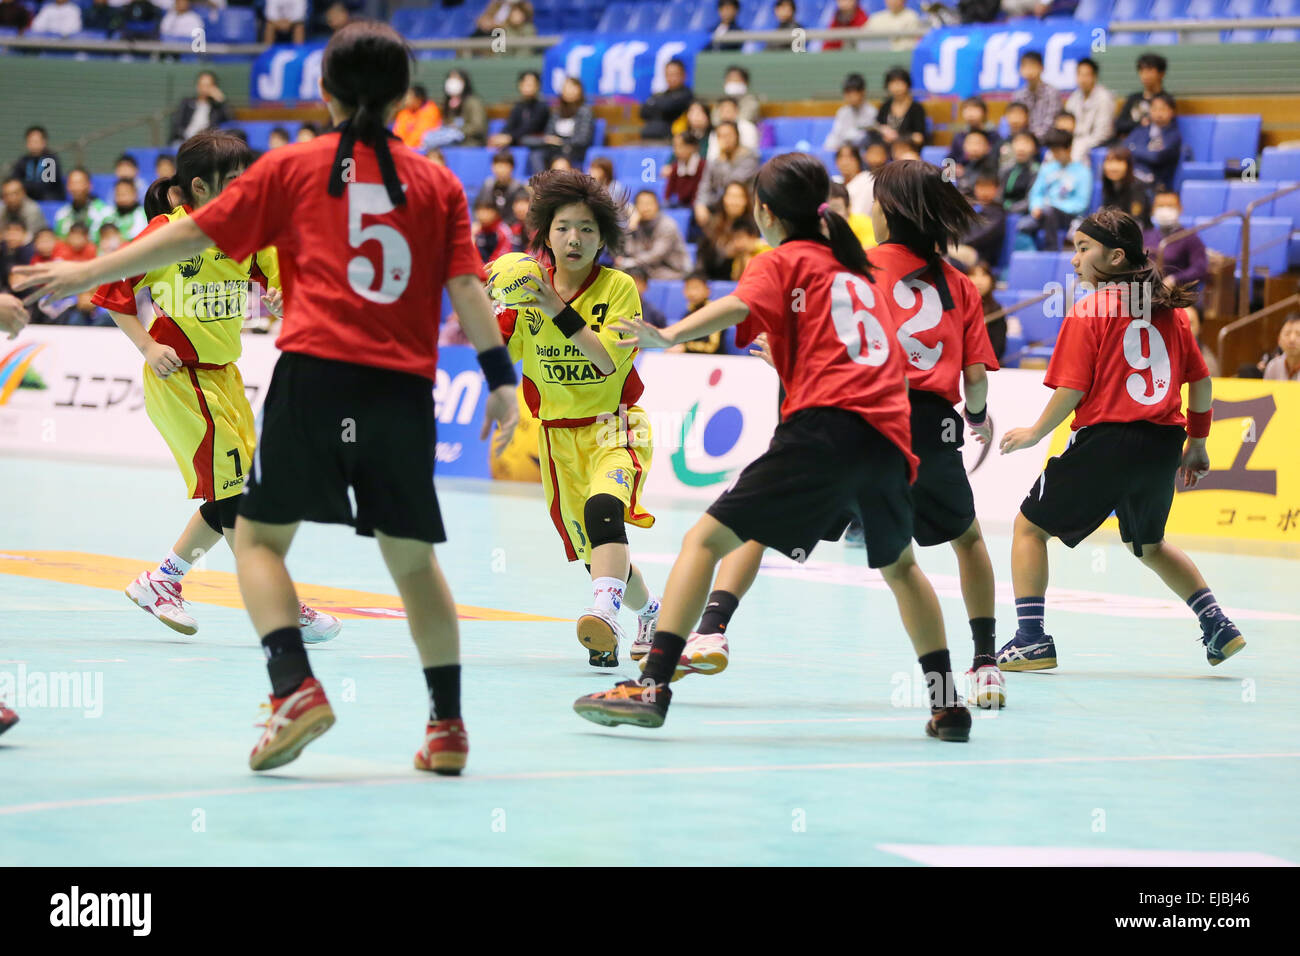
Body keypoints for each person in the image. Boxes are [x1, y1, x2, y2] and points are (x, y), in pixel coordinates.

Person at [13, 22, 520, 775]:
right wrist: (502, 380)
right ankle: (447, 728)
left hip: (314, 376)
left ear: (323, 93)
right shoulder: (440, 183)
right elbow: (469, 286)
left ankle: (293, 688)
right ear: (408, 96)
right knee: (414, 566)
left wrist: (84, 274)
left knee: (256, 540)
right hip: (404, 386)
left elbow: (189, 235)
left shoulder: (292, 167)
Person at [574, 152, 973, 741]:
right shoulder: (854, 269)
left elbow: (736, 305)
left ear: (764, 212)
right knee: (902, 568)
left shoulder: (785, 259)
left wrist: (671, 333)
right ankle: (947, 705)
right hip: (891, 436)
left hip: (823, 429)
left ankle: (651, 686)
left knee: (703, 541)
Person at [667, 160, 1006, 709]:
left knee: (756, 526)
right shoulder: (961, 285)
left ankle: (711, 628)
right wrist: (974, 418)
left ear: (887, 210)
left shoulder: (855, 264)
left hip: (852, 415)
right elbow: (974, 379)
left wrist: (779, 353)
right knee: (958, 545)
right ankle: (983, 667)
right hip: (926, 430)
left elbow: (828, 338)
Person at [996, 208, 1242, 672]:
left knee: (1029, 528)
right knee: (1148, 544)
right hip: (1162, 443)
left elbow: (1072, 391)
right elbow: (1202, 383)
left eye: (1082, 249)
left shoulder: (1090, 310)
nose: (1074, 261)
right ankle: (1217, 624)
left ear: (1114, 255)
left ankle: (1030, 640)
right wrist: (1198, 442)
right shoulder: (1171, 311)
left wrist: (1034, 432)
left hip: (1106, 441)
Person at [492, 169, 661, 667]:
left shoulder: (620, 288)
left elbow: (604, 361)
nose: (575, 239)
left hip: (614, 425)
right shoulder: (524, 293)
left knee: (604, 511)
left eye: (588, 229)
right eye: (564, 227)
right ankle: (648, 611)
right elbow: (497, 346)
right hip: (556, 439)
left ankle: (603, 614)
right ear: (545, 233)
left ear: (603, 239)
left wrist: (555, 305)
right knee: (597, 554)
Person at [1018, 129, 1091, 251]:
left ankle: (1051, 250)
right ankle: (1031, 259)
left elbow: (1081, 203)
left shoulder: (1083, 172)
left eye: (1058, 151)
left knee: (1049, 212)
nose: (1055, 154)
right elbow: (1036, 193)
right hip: (1044, 213)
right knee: (1022, 226)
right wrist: (1036, 206)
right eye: (1052, 151)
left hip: (1068, 216)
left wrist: (1052, 205)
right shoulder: (1047, 168)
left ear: (1068, 148)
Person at [693, 123, 759, 230]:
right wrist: (700, 204)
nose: (725, 140)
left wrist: (723, 160)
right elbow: (704, 186)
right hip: (721, 207)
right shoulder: (714, 161)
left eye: (728, 135)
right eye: (721, 136)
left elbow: (732, 182)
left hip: (746, 208)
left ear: (737, 136)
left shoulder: (750, 157)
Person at [619, 190, 690, 280]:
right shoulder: (636, 224)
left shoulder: (667, 225)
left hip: (673, 270)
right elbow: (628, 251)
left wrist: (632, 262)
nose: (646, 208)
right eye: (642, 204)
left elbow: (657, 255)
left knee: (633, 276)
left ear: (657, 205)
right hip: (647, 268)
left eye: (649, 203)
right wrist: (631, 228)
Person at [697, 181, 758, 280]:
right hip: (714, 279)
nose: (734, 201)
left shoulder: (754, 226)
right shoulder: (712, 226)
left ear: (746, 200)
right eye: (731, 196)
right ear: (723, 199)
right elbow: (703, 262)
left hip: (744, 280)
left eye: (739, 197)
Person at [534, 76, 594, 174]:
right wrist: (551, 140)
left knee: (561, 161)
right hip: (555, 148)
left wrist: (562, 142)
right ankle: (541, 182)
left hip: (574, 149)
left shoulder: (585, 111)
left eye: (572, 87)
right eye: (566, 88)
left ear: (580, 91)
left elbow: (583, 138)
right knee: (536, 154)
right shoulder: (557, 112)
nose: (569, 91)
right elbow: (549, 132)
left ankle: (560, 185)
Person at [1123, 93, 1181, 192]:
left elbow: (1156, 156)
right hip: (1134, 175)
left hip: (1157, 183)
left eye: (1162, 109)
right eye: (1154, 109)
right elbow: (1124, 148)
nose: (1158, 113)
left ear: (1171, 111)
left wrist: (1133, 148)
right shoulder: (1141, 130)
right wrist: (1145, 151)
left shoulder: (1173, 135)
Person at [1065, 57, 1115, 164]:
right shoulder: (1075, 96)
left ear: (1094, 77)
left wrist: (1082, 143)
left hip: (1094, 142)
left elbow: (1103, 133)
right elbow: (1067, 121)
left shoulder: (1104, 98)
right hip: (1074, 139)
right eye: (1079, 74)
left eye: (1086, 75)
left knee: (1077, 151)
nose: (1082, 79)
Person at [1115, 53, 1175, 141]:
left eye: (1149, 70)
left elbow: (1164, 126)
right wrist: (1140, 123)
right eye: (1142, 71)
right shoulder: (1133, 98)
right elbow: (1119, 125)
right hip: (1126, 142)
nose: (1145, 75)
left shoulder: (1165, 100)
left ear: (1161, 74)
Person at [489, 70, 549, 150]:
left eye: (531, 84)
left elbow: (530, 128)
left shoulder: (542, 106)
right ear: (520, 85)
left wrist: (510, 137)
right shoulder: (518, 106)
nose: (528, 86)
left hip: (536, 146)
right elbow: (510, 125)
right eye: (525, 83)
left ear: (538, 86)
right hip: (516, 140)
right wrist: (502, 136)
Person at [954, 173, 1005, 267]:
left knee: (942, 252)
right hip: (960, 247)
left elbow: (980, 237)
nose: (985, 192)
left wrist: (955, 242)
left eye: (989, 188)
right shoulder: (970, 208)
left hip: (979, 255)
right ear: (975, 189)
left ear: (997, 190)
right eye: (981, 187)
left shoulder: (997, 213)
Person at [170, 71, 232, 145]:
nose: (204, 88)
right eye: (201, 85)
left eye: (208, 85)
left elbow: (230, 120)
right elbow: (177, 124)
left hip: (206, 142)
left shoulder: (216, 107)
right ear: (197, 86)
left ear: (214, 87)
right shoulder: (187, 102)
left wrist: (221, 100)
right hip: (184, 139)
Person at [640, 59, 693, 142]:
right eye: (668, 74)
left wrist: (655, 105)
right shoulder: (660, 95)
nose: (671, 78)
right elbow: (643, 111)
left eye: (675, 74)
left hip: (672, 140)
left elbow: (668, 106)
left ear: (684, 75)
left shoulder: (687, 95)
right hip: (648, 138)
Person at [874, 67, 927, 150]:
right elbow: (877, 125)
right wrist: (882, 130)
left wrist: (897, 137)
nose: (896, 86)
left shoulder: (916, 108)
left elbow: (919, 138)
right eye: (892, 82)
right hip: (886, 149)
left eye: (900, 82)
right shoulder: (885, 106)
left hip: (908, 149)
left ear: (907, 84)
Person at [54, 168, 112, 239]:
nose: (76, 188)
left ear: (89, 186)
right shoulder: (62, 214)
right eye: (72, 183)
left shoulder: (104, 212)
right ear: (67, 187)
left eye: (79, 183)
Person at [10, 126, 65, 201]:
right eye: (30, 141)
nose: (33, 145)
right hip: (27, 201)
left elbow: (45, 187)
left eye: (36, 141)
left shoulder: (51, 160)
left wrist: (24, 185)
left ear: (44, 142)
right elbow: (15, 181)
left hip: (49, 201)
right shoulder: (23, 160)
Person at [1100, 146, 1150, 227]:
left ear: (1128, 165)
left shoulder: (1137, 186)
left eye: (1119, 161)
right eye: (1109, 161)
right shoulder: (1108, 185)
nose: (1113, 167)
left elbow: (1136, 220)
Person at [823, 73, 875, 152]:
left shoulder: (871, 112)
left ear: (862, 92)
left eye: (853, 92)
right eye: (847, 93)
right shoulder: (842, 112)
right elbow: (836, 134)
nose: (850, 96)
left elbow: (862, 138)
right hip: (843, 151)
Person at [475, 149, 529, 224]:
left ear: (512, 167)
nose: (501, 169)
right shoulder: (487, 185)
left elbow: (518, 215)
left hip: (511, 229)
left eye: (505, 166)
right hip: (489, 227)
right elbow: (478, 207)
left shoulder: (518, 188)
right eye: (498, 165)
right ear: (492, 167)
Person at [1017, 51, 1061, 141]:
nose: (1029, 70)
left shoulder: (1051, 93)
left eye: (1032, 66)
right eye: (1025, 66)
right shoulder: (1019, 95)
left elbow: (1051, 123)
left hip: (1046, 140)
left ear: (1041, 68)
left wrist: (1033, 139)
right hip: (1024, 141)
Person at [439, 69, 488, 148]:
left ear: (465, 82)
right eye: (451, 79)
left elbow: (478, 127)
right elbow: (446, 124)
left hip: (471, 144)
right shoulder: (448, 103)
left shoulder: (473, 102)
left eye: (457, 79)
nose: (453, 82)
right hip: (450, 143)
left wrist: (458, 130)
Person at [946, 97, 999, 166]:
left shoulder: (993, 135)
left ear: (984, 112)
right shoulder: (959, 136)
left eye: (974, 109)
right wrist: (954, 169)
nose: (970, 114)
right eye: (966, 109)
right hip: (962, 175)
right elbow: (949, 159)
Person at [826, 180, 875, 250]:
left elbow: (869, 250)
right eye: (825, 209)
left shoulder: (863, 223)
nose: (829, 214)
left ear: (848, 207)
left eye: (835, 208)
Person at [664, 131, 706, 211]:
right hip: (680, 206)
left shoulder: (703, 166)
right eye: (674, 146)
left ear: (692, 147)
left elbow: (701, 194)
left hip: (697, 207)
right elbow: (668, 194)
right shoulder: (675, 167)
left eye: (680, 146)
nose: (676, 150)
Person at [392, 85, 443, 150]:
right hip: (404, 149)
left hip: (423, 151)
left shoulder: (430, 111)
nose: (405, 100)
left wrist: (404, 148)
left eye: (409, 97)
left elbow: (420, 135)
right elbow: (398, 133)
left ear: (419, 99)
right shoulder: (404, 113)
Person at [1000, 131, 1039, 214]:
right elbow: (998, 192)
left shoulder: (1036, 171)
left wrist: (1010, 209)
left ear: (1035, 149)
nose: (1021, 148)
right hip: (1002, 209)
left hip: (1022, 213)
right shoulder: (1005, 167)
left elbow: (1030, 199)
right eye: (1017, 142)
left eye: (1026, 143)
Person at [953, 127, 997, 197]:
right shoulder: (964, 165)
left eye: (978, 143)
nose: (974, 147)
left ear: (988, 147)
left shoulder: (992, 167)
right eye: (970, 143)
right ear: (964, 146)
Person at [471, 194, 514, 264]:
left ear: (496, 212)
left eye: (487, 209)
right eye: (479, 209)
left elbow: (500, 262)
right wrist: (472, 237)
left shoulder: (504, 232)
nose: (482, 214)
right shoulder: (475, 231)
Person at [834, 143, 874, 217]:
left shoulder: (867, 180)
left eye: (850, 157)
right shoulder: (835, 181)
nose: (845, 162)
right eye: (840, 157)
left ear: (858, 160)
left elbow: (859, 214)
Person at [996, 102, 1030, 175]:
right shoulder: (1000, 142)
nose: (1015, 118)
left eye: (1019, 114)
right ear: (1005, 117)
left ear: (1027, 117)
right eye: (1012, 114)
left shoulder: (1031, 140)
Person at [1263, 315, 1300, 381]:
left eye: (1298, 334)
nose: (1292, 339)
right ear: (1279, 340)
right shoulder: (1273, 366)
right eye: (1287, 334)